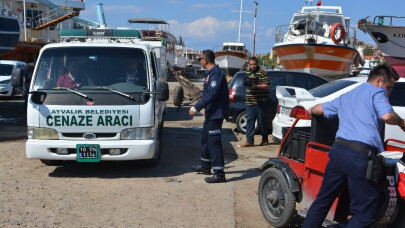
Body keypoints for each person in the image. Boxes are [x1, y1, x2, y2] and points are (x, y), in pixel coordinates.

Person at [302, 64, 405, 228]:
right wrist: (401, 122)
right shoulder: (377, 92)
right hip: (361, 158)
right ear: (379, 81)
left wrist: (310, 109)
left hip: (338, 153)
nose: (389, 92)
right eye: (389, 87)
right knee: (364, 214)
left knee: (323, 201)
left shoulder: (348, 95)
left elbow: (318, 109)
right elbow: (386, 116)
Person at [189, 49, 229, 183]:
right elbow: (208, 95)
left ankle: (219, 173)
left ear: (205, 60)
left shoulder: (216, 74)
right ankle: (205, 166)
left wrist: (196, 107)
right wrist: (205, 107)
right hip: (210, 112)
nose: (199, 61)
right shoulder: (210, 74)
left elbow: (212, 94)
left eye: (200, 59)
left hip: (216, 114)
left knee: (214, 143)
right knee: (206, 140)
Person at [240, 56, 270, 147]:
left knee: (262, 122)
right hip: (249, 102)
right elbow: (246, 83)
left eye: (254, 64)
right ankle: (250, 141)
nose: (253, 66)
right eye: (251, 64)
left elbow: (267, 86)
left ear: (257, 64)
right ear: (249, 64)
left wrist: (256, 86)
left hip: (260, 102)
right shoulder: (247, 72)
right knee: (250, 122)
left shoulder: (262, 72)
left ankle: (265, 139)